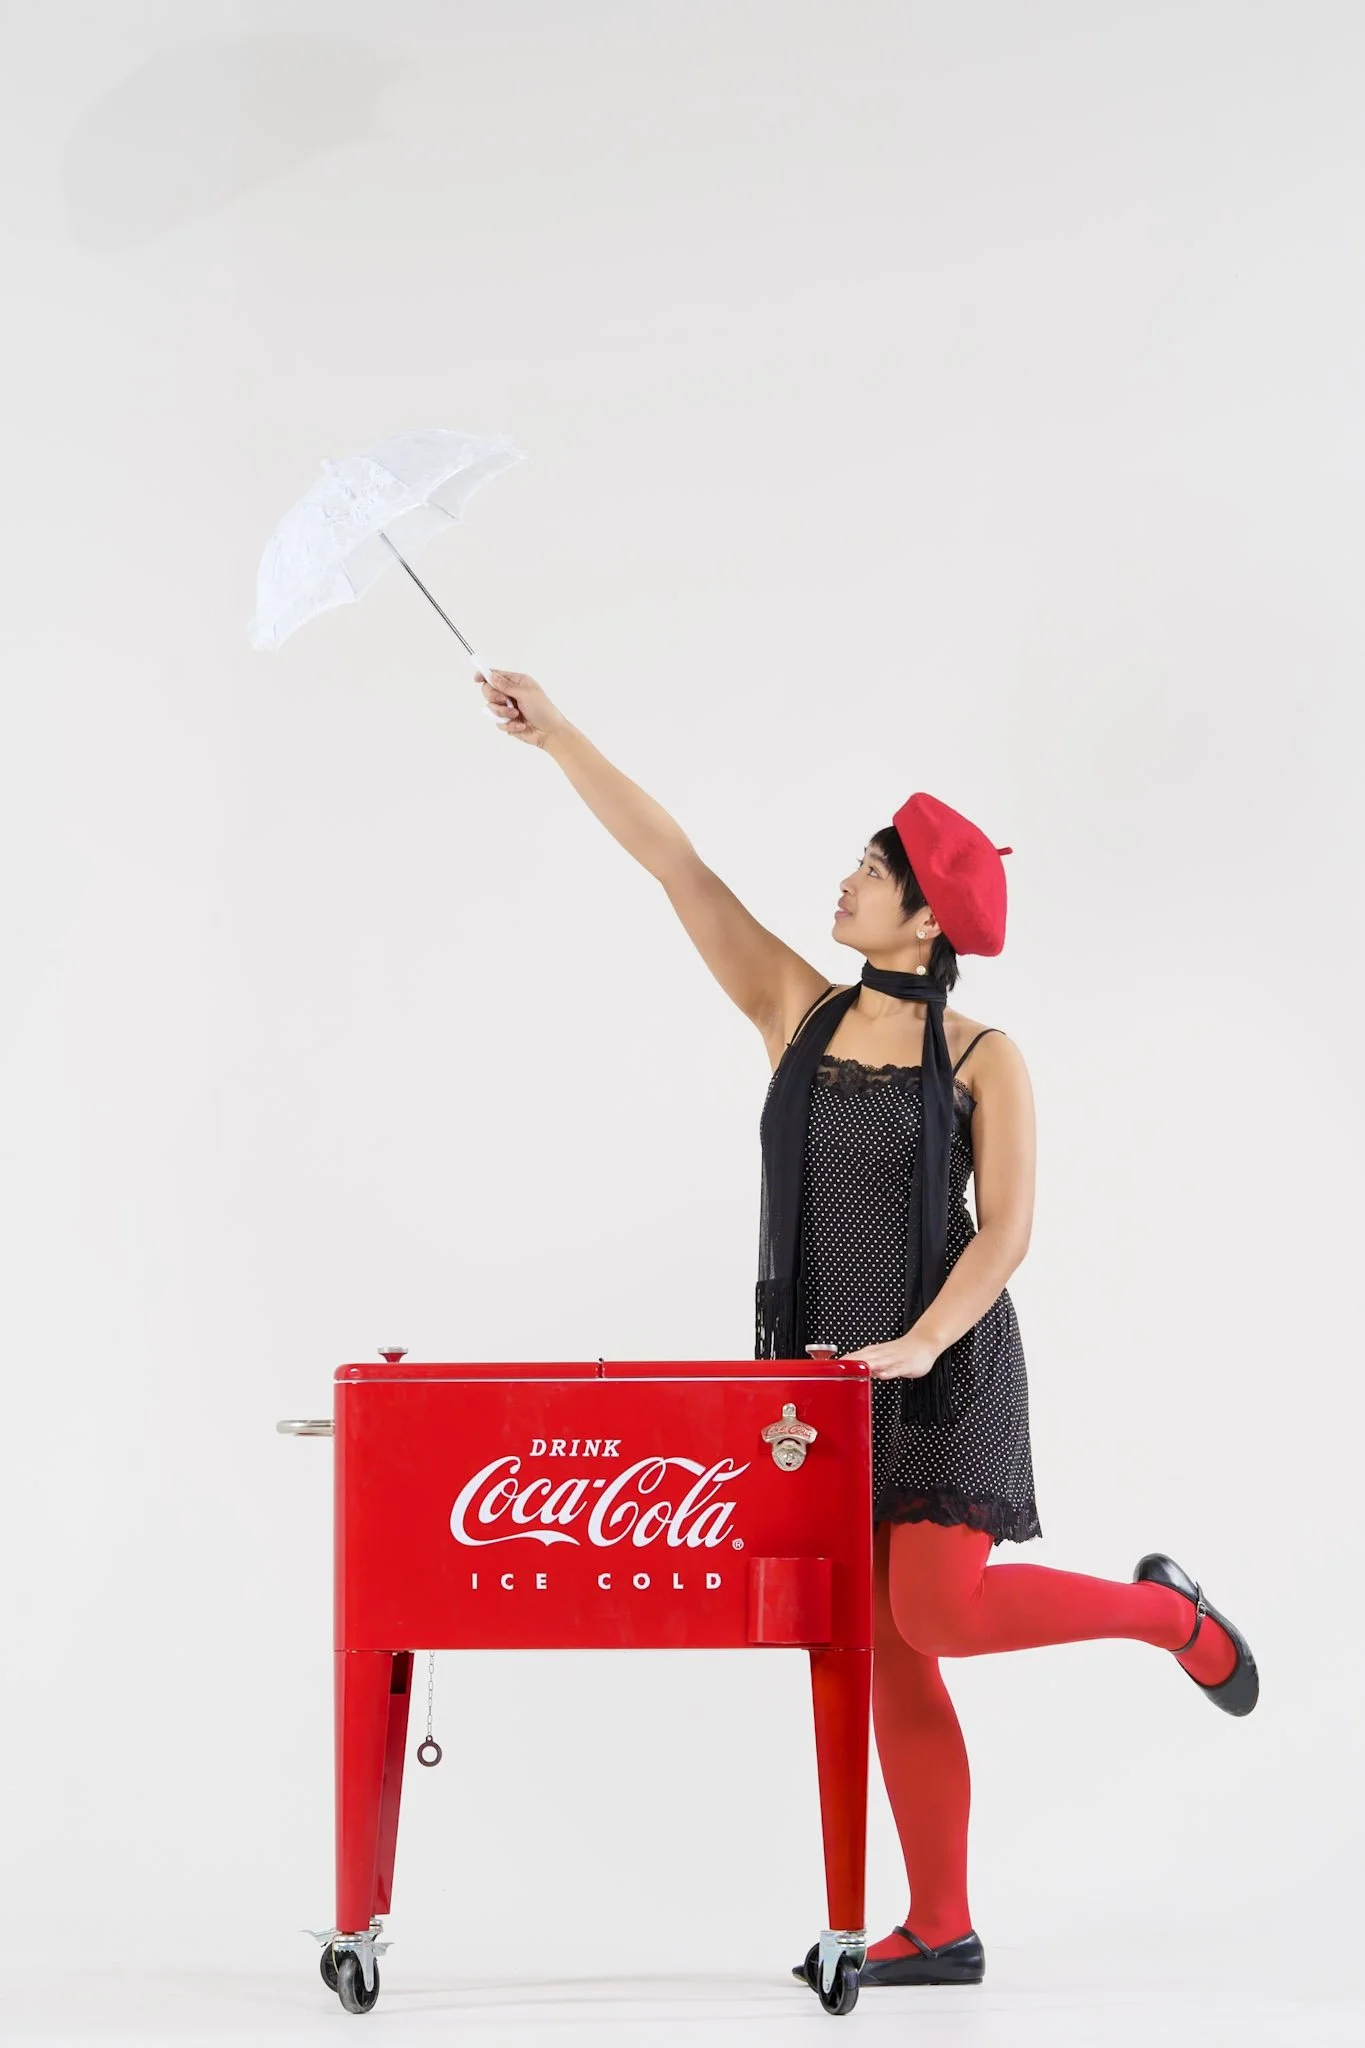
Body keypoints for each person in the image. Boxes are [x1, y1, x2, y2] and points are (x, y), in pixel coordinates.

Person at [478, 666, 1259, 1989]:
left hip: (945, 1374)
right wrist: (559, 738)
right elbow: (680, 869)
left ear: (924, 915)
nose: (839, 885)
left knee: (939, 1612)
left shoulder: (984, 1058)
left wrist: (919, 1344)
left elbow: (1005, 1234)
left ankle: (1164, 1620)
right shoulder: (799, 1011)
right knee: (884, 1644)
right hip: (813, 1397)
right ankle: (940, 1924)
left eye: (866, 871)